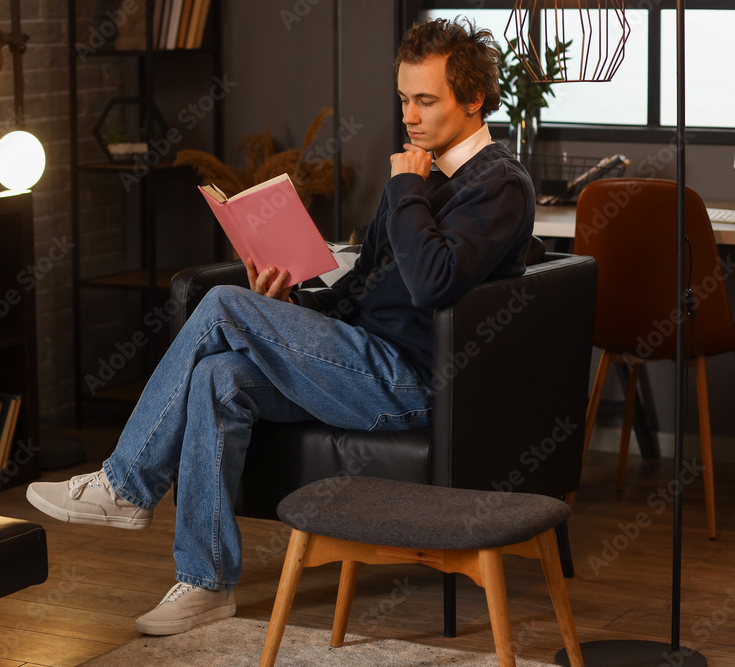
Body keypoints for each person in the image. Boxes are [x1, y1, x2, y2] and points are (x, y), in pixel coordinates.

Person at [27, 16, 535, 636]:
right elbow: (362, 287)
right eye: (404, 98)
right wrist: (292, 308)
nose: (410, 114)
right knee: (219, 376)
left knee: (219, 305)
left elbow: (433, 281)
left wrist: (405, 187)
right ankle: (206, 582)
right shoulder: (417, 173)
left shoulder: (498, 185)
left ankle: (126, 485)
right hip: (363, 360)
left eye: (425, 100)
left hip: (415, 385)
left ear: (474, 98)